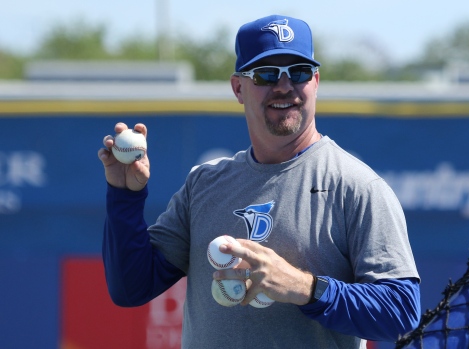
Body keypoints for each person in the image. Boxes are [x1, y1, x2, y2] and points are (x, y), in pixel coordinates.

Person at [99, 14, 420, 349]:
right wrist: (124, 196)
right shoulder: (204, 183)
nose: (284, 86)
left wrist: (304, 288)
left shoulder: (357, 187)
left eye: (298, 72)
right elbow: (130, 288)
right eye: (266, 75)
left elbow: (401, 311)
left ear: (316, 81)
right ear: (239, 87)